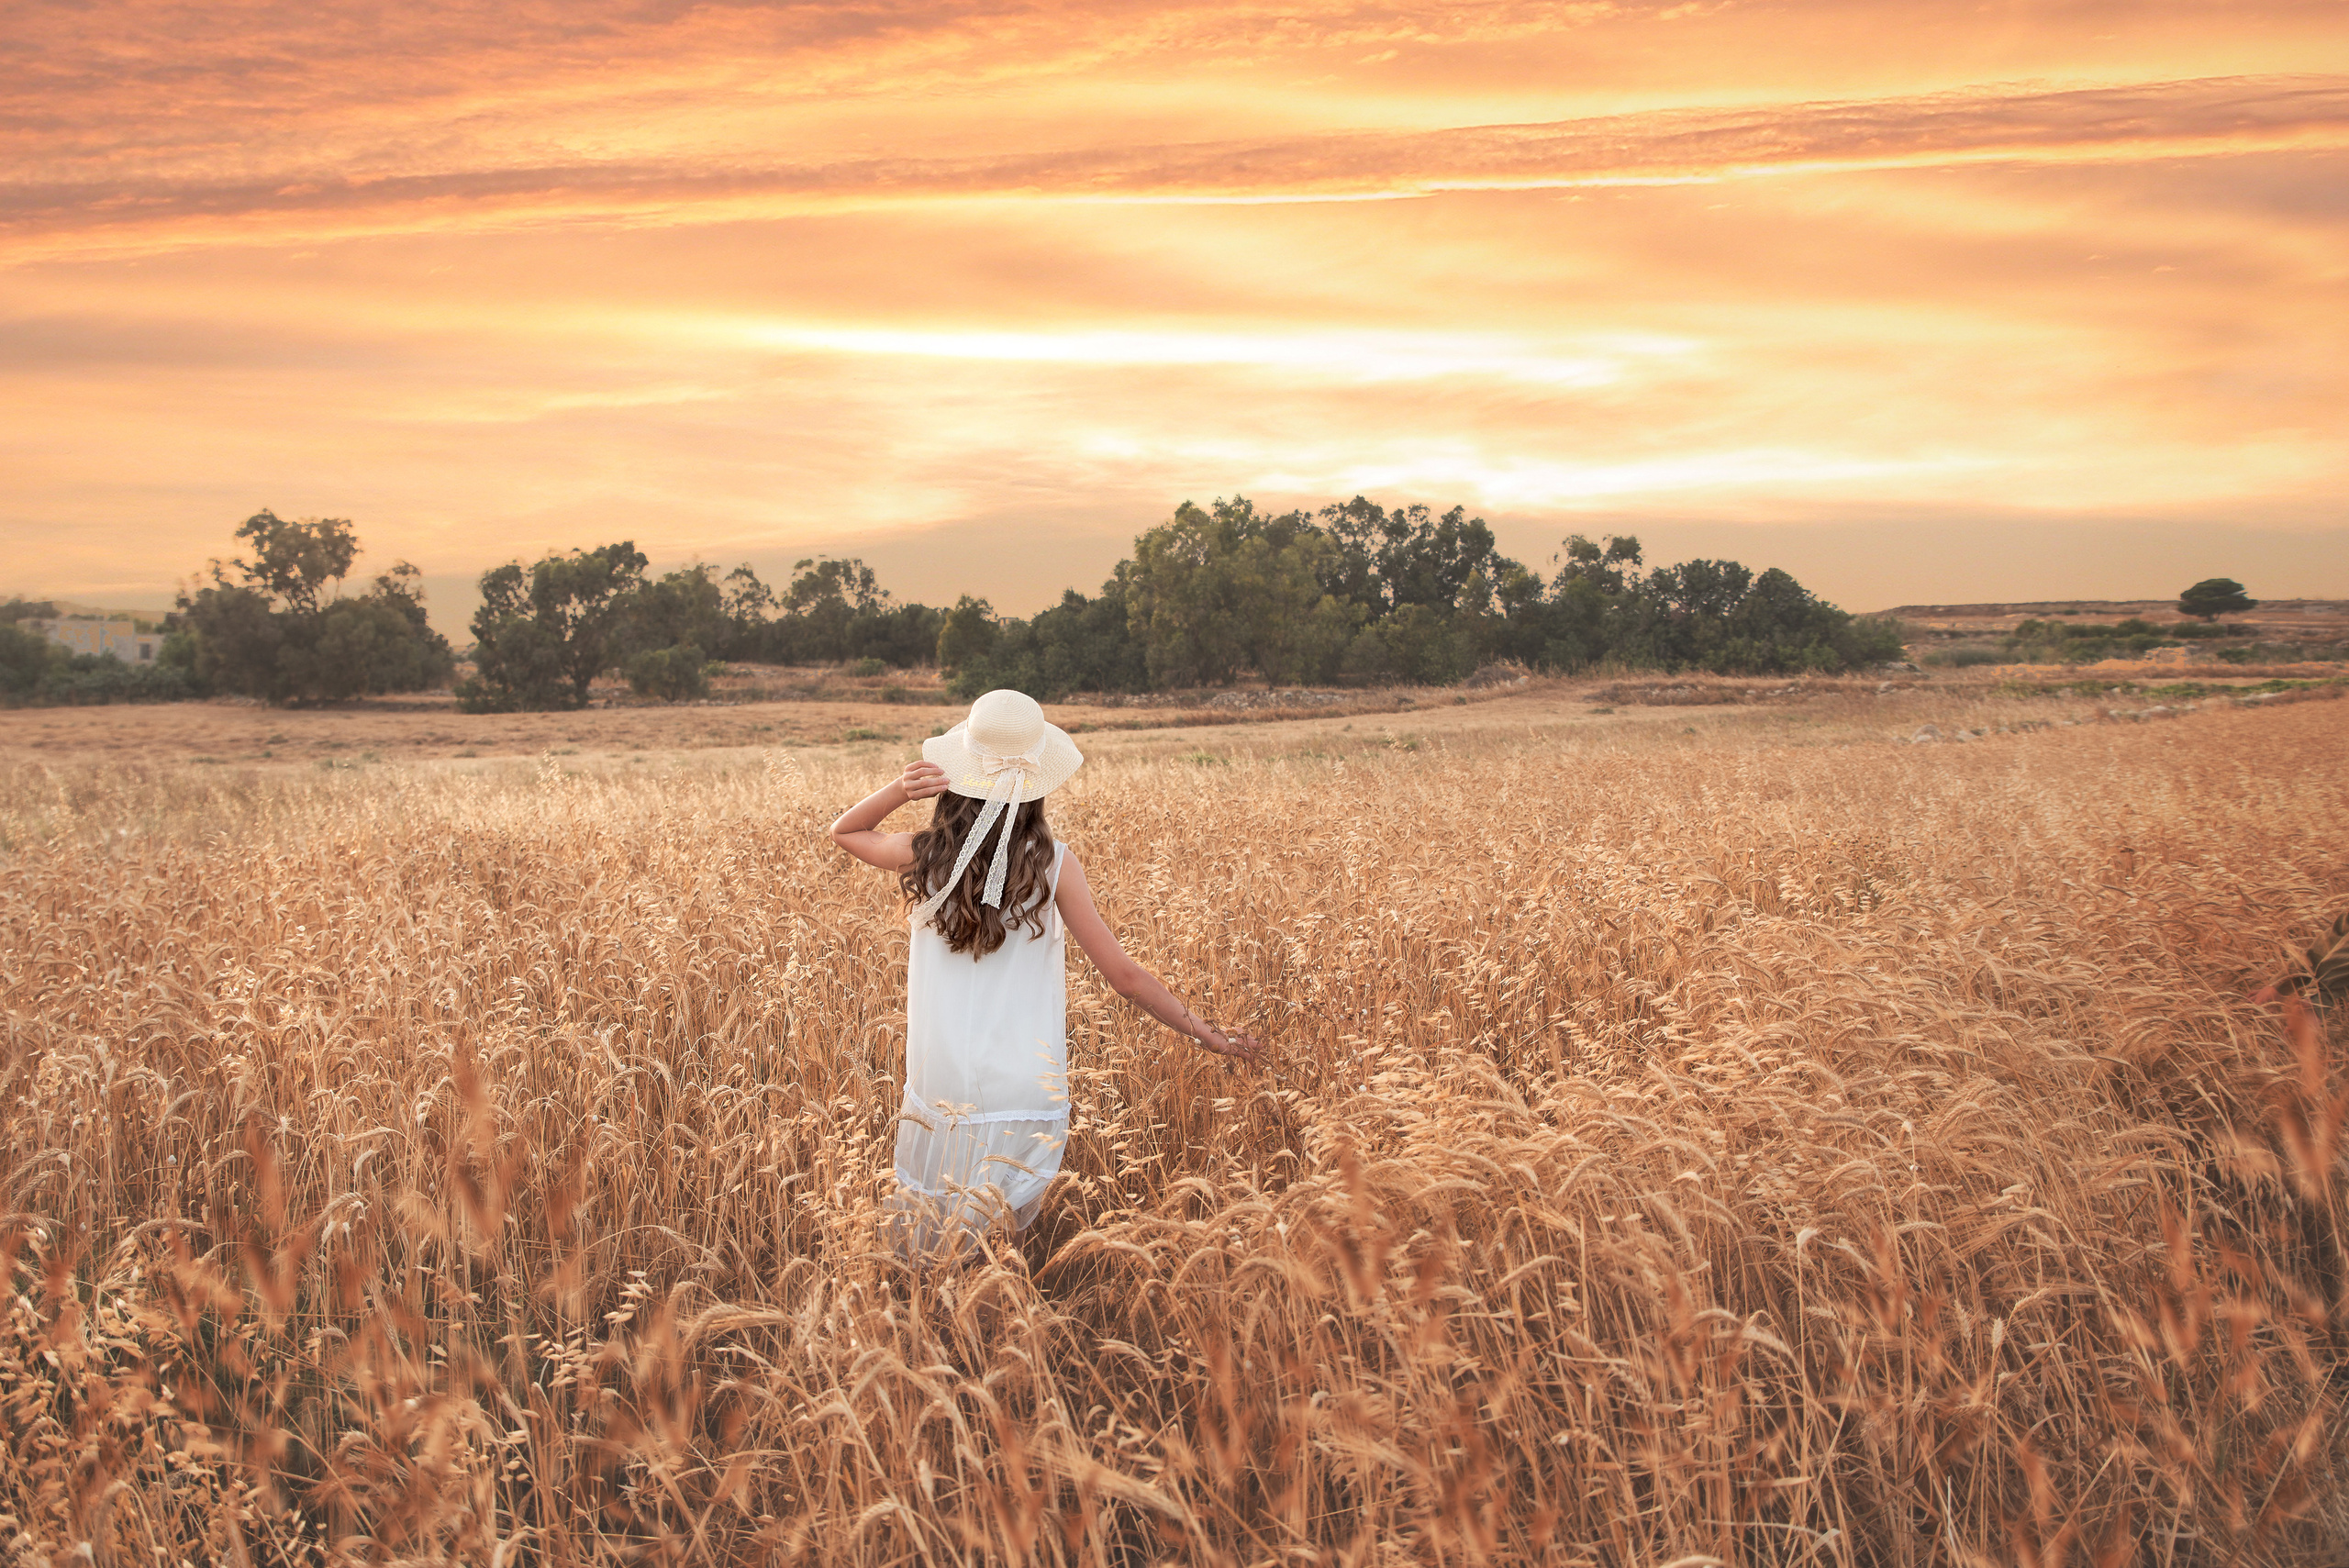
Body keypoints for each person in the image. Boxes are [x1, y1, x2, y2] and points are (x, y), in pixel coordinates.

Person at [829, 687, 1264, 1260]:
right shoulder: (1053, 864)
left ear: (957, 776)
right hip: (1025, 1085)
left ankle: (944, 1336)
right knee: (1003, 1250)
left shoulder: (925, 852)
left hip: (945, 1085)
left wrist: (898, 788)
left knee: (938, 1239)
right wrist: (1206, 1033)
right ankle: (1006, 1334)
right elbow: (1126, 978)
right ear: (1035, 787)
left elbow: (845, 832)